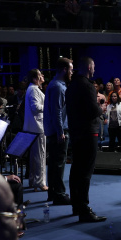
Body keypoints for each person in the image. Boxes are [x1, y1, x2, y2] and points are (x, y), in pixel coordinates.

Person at [66, 56, 106, 222]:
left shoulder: (72, 85)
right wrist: (101, 106)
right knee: (85, 172)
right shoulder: (87, 85)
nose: (94, 69)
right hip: (88, 133)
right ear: (89, 67)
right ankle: (84, 209)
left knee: (76, 169)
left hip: (75, 132)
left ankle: (77, 206)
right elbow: (92, 111)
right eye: (93, 66)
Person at [44, 58, 72, 207]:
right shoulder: (58, 87)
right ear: (64, 70)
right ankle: (59, 194)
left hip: (53, 130)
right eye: (71, 69)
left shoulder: (54, 84)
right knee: (59, 164)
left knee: (54, 163)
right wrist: (60, 131)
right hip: (58, 131)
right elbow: (57, 112)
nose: (72, 72)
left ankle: (53, 193)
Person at [22, 68, 47, 192]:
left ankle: (34, 181)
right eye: (40, 75)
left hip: (34, 127)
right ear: (34, 78)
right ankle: (40, 182)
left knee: (35, 157)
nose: (42, 76)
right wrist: (48, 106)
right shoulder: (33, 89)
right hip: (37, 127)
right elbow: (35, 107)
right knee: (40, 156)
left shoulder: (33, 88)